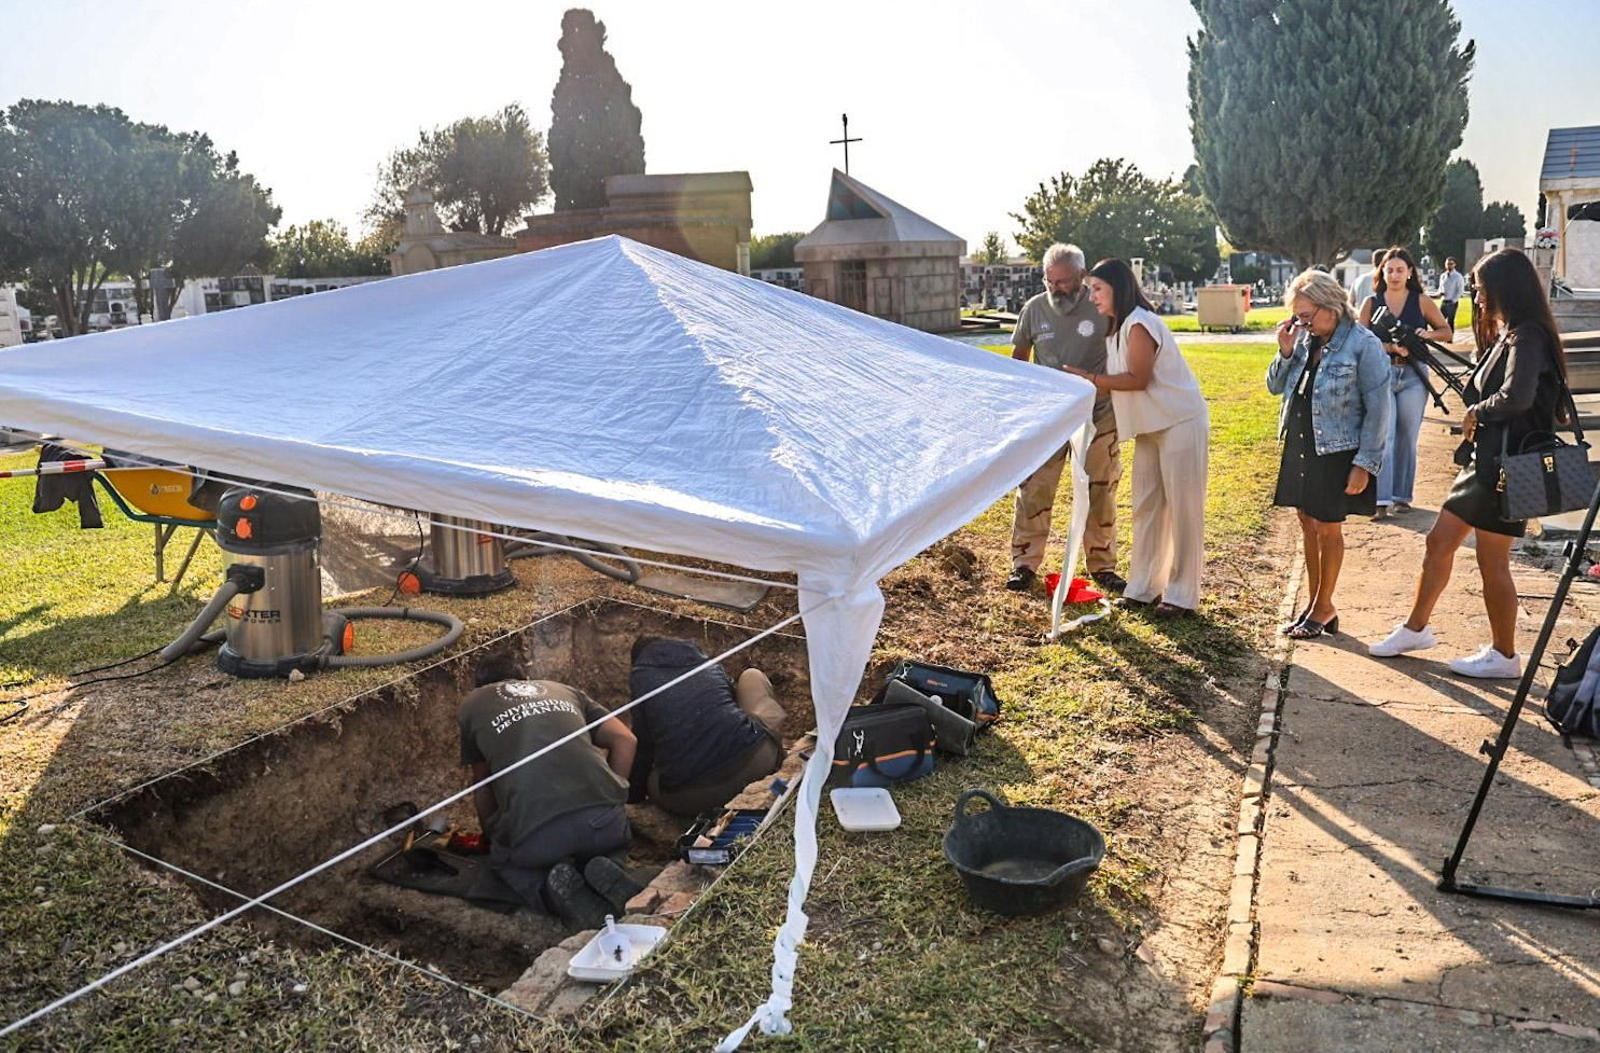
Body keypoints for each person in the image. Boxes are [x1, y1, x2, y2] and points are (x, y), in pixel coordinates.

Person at [1369, 248, 1570, 678]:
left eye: (1480, 290)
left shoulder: (1528, 335)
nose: (1476, 297)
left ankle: (1504, 655)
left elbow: (1516, 397)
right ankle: (1416, 628)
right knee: (1439, 542)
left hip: (1507, 467)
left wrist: (1479, 413)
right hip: (1486, 463)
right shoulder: (1512, 333)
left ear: (1505, 289)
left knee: (1491, 562)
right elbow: (1484, 386)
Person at [1066, 258, 1210, 618]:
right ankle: (1143, 588)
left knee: (1183, 510)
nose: (1092, 296)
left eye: (1098, 289)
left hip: (1180, 421)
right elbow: (1111, 384)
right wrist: (1071, 386)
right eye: (1090, 289)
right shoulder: (1117, 328)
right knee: (1146, 506)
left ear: (1119, 288)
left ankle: (1182, 596)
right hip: (1150, 427)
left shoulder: (1140, 324)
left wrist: (1089, 378)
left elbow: (1138, 379)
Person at [458, 654, 640, 927]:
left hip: (539, 838)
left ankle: (552, 891)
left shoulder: (473, 704)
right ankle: (609, 865)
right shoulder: (563, 690)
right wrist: (614, 798)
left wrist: (493, 836)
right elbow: (625, 739)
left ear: (479, 686)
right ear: (525, 678)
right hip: (604, 825)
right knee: (607, 846)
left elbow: (483, 782)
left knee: (505, 863)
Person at [1267, 270, 1392, 639]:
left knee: (1327, 526)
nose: (1302, 324)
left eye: (1307, 315)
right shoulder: (1304, 342)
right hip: (1302, 442)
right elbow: (1275, 385)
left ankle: (1324, 605)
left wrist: (1365, 464)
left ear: (1332, 305)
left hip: (1338, 450)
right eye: (1298, 317)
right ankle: (1315, 602)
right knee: (1307, 521)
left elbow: (1379, 410)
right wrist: (1285, 350)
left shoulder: (1363, 344)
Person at [1006, 242, 1126, 595]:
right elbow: (1019, 357)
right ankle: (1024, 564)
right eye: (1049, 281)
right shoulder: (1034, 309)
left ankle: (1102, 565)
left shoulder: (1102, 306)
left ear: (1082, 277)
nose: (1055, 288)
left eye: (1063, 281)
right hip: (1048, 419)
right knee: (1034, 490)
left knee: (1100, 491)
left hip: (1098, 416)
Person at [627, 636, 787, 815]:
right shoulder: (707, 664)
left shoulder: (641, 678)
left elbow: (644, 748)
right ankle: (780, 754)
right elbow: (731, 702)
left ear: (639, 660)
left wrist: (633, 798)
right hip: (757, 764)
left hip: (695, 797)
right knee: (752, 676)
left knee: (654, 779)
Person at [1358, 246, 1454, 519]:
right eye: (1390, 270)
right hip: (1381, 375)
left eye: (1400, 270)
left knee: (1407, 438)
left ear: (1410, 272)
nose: (1395, 275)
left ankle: (1402, 496)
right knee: (1384, 437)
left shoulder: (1421, 301)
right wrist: (1389, 348)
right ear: (1382, 272)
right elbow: (1358, 342)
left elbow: (1446, 332)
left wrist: (1427, 334)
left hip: (1414, 375)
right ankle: (1381, 499)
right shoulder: (1371, 302)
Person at [1436, 256, 1466, 333]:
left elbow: (1460, 290)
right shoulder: (1443, 276)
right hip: (1444, 301)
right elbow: (1440, 287)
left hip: (1452, 302)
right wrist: (1440, 293)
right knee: (1440, 320)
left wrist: (1454, 300)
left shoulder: (1458, 276)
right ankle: (1442, 335)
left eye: (1451, 264)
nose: (1449, 265)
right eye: (1447, 263)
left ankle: (1450, 339)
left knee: (1450, 321)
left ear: (1454, 264)